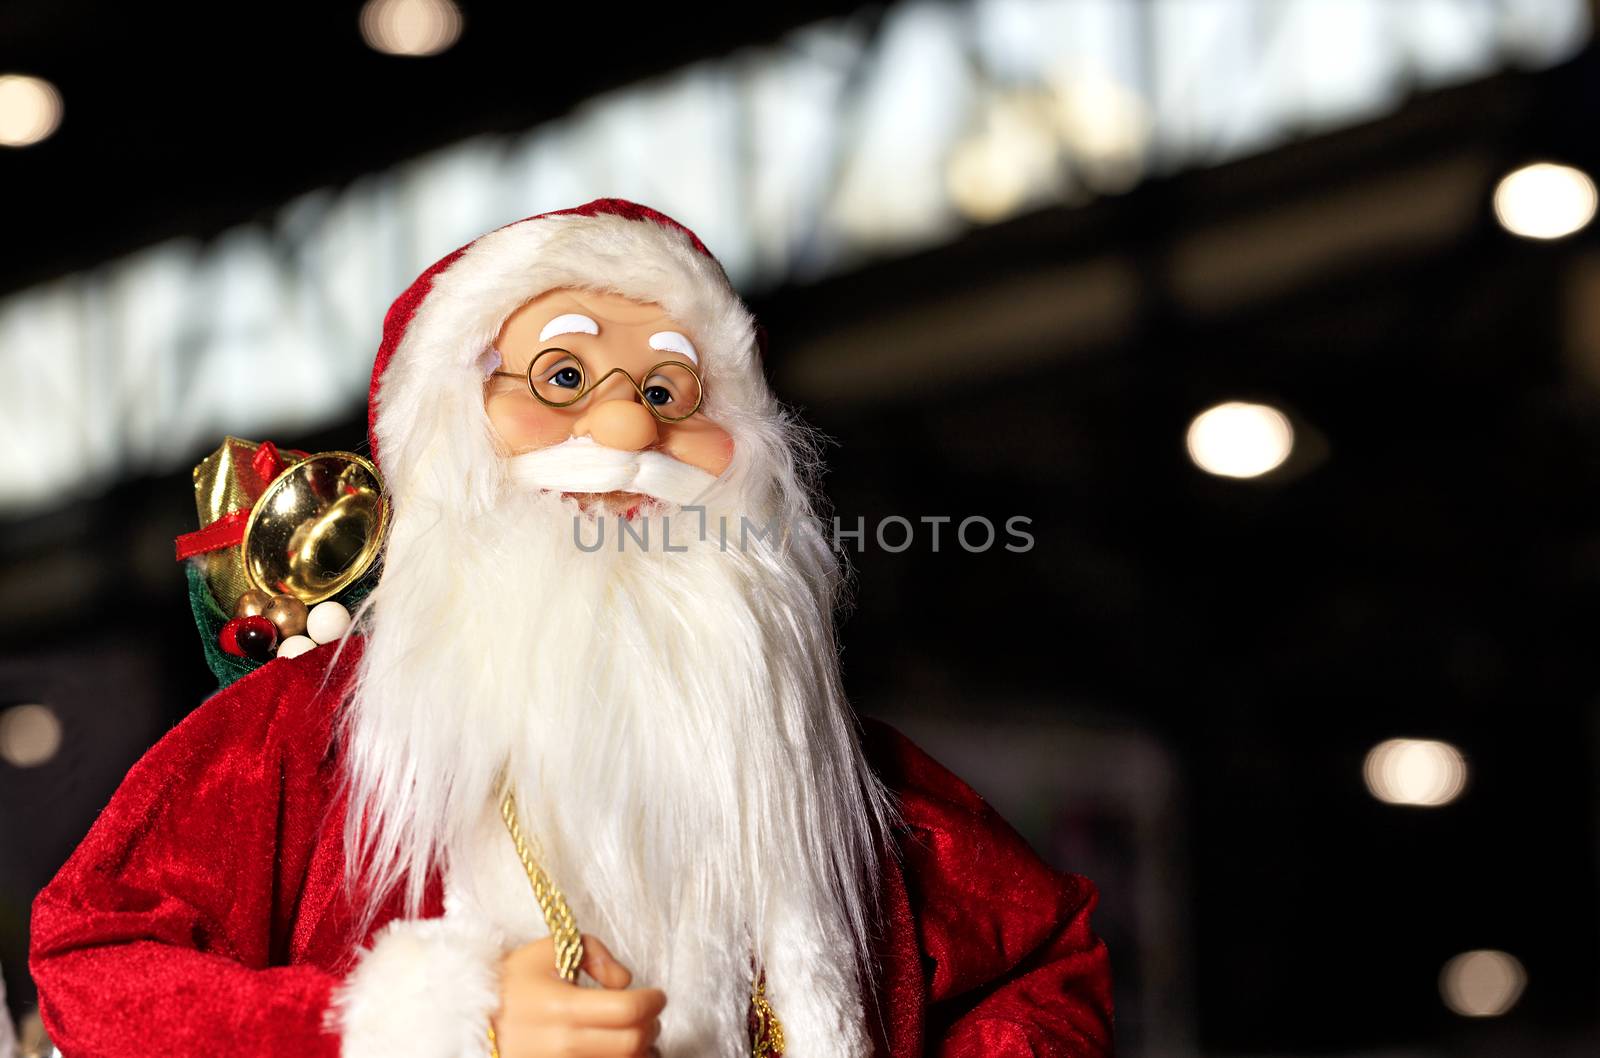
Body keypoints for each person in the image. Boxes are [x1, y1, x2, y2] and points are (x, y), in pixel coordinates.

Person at [29, 199, 1113, 1058]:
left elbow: (1044, 962)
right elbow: (96, 959)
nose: (628, 424)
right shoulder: (307, 737)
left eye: (674, 391)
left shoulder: (845, 778)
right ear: (449, 424)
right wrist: (431, 1024)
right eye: (561, 374)